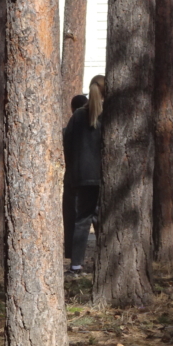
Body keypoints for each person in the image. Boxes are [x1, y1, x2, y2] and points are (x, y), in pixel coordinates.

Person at [64, 75, 105, 275]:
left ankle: (76, 265)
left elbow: (67, 144)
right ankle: (106, 263)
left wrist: (73, 171)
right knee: (101, 219)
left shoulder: (78, 116)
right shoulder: (109, 116)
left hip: (81, 176)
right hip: (102, 176)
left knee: (82, 220)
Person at [62, 93, 88, 260]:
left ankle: (71, 254)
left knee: (71, 216)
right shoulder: (95, 126)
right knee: (88, 217)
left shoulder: (69, 128)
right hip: (91, 178)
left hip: (72, 176)